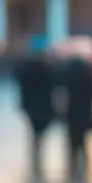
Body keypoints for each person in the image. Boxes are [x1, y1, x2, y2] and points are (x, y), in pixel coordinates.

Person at [15, 36, 56, 170]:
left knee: (34, 135)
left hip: (31, 107)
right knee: (39, 135)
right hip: (42, 107)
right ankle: (37, 159)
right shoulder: (47, 68)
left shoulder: (26, 68)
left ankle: (35, 159)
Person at [59, 38, 92, 180]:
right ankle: (86, 165)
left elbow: (61, 89)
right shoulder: (89, 71)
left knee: (72, 140)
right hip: (85, 110)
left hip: (71, 109)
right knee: (84, 141)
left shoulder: (66, 70)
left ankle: (72, 165)